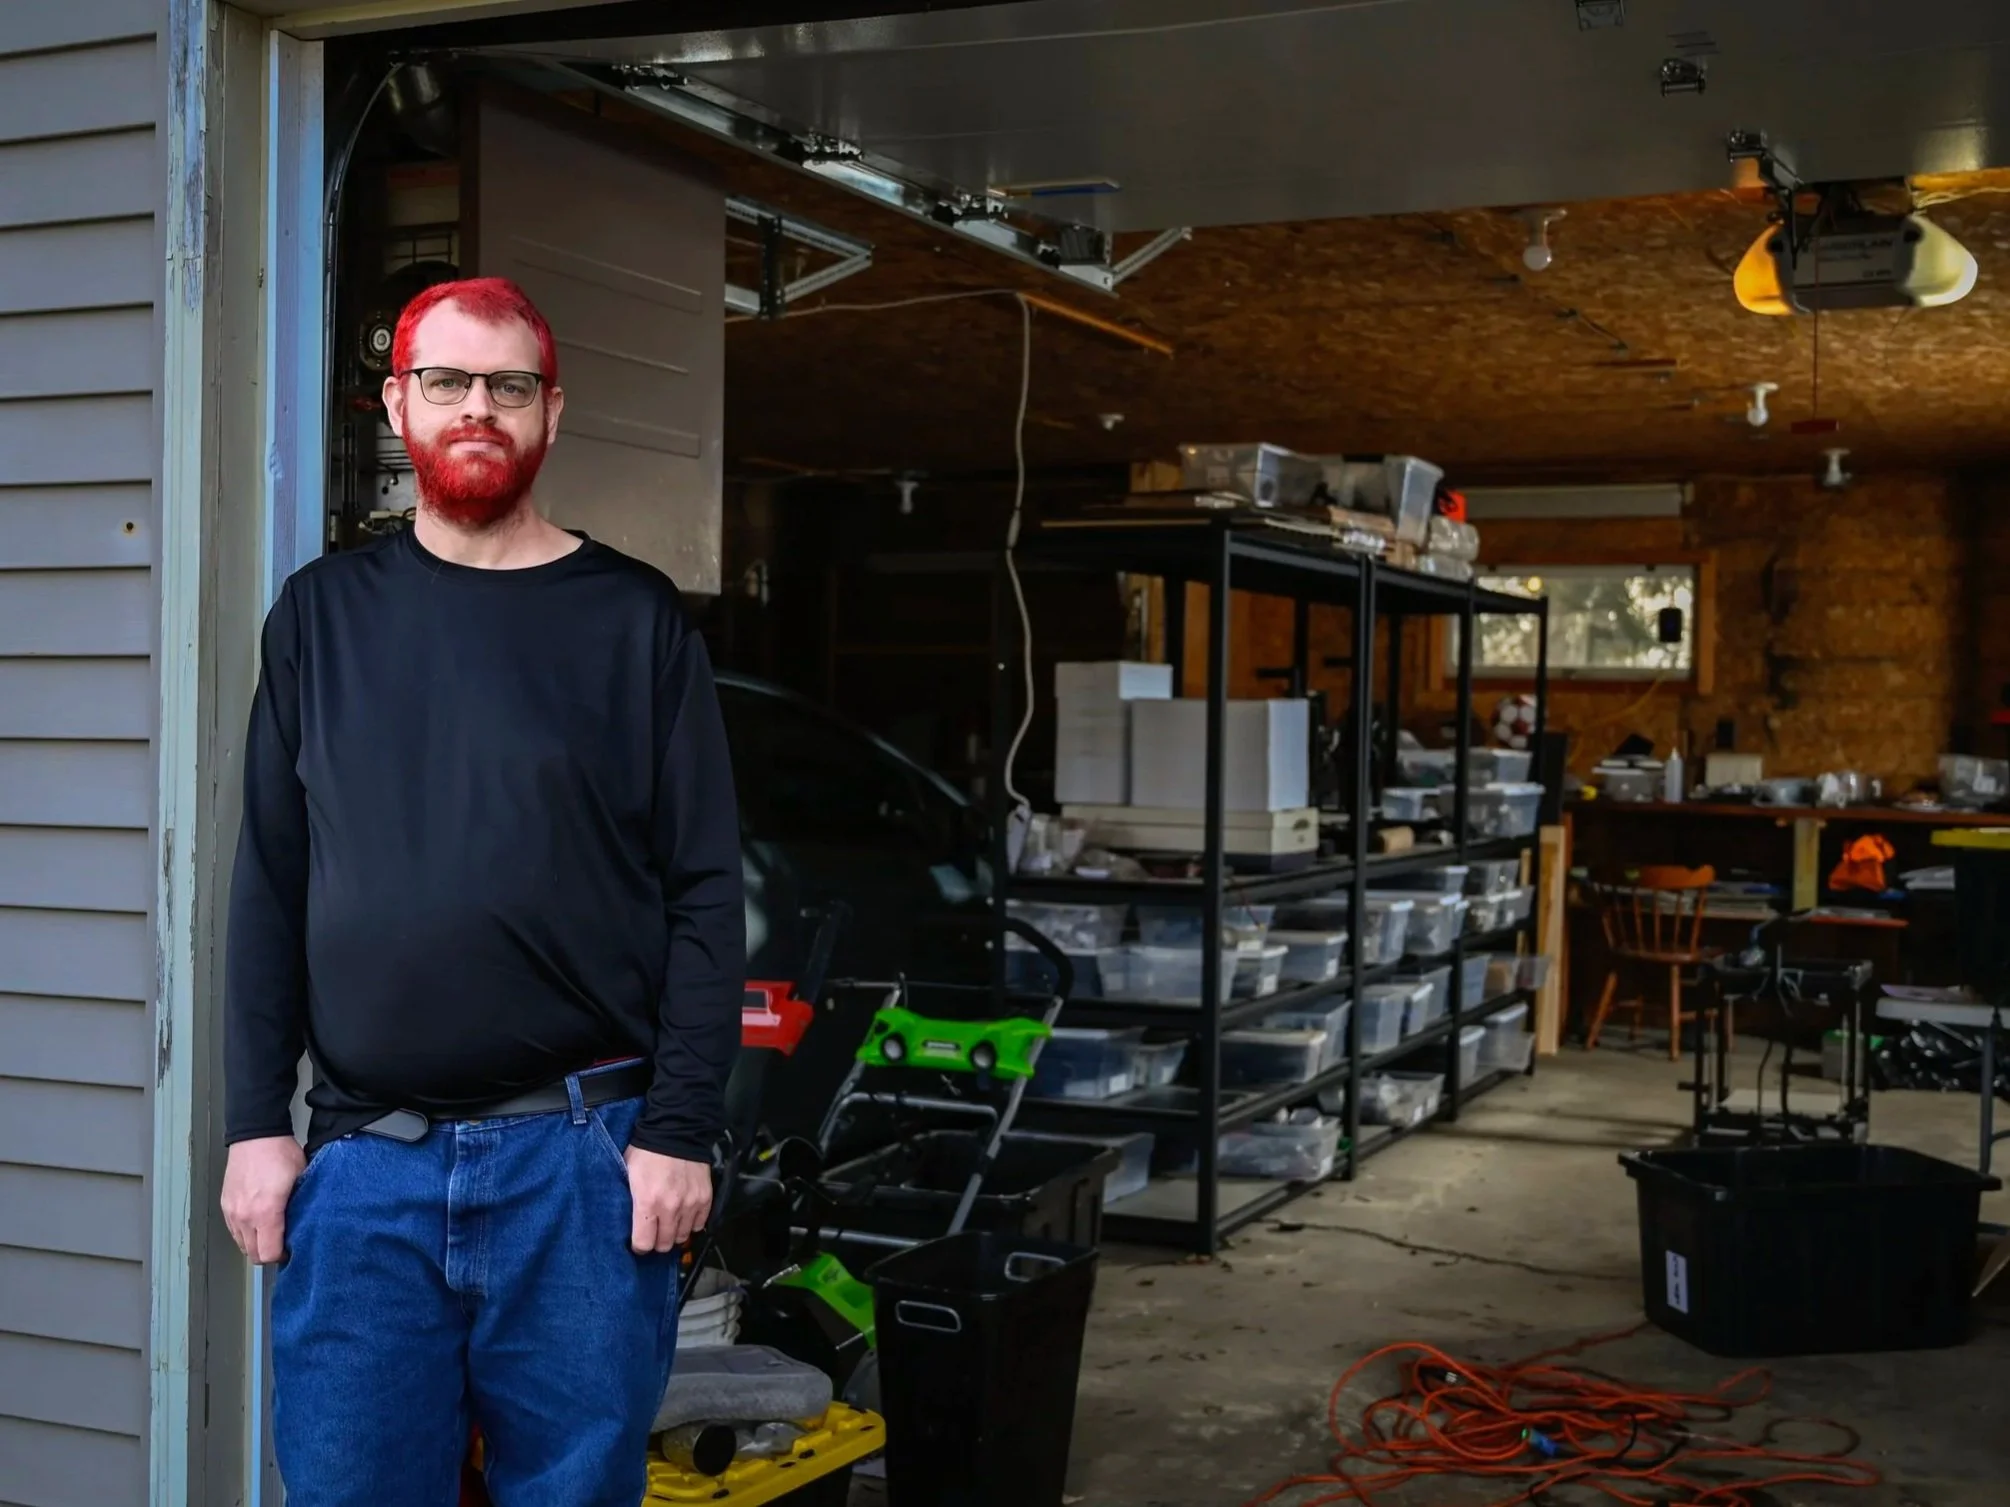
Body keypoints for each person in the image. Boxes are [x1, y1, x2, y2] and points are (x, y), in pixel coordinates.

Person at [219, 276, 745, 1507]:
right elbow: (269, 883)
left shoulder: (634, 622)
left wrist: (677, 1129)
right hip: (363, 1171)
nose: (477, 407)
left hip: (582, 1164)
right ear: (397, 405)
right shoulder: (319, 618)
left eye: (508, 385)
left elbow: (706, 895)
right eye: (446, 380)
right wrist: (254, 1123)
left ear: (550, 414)